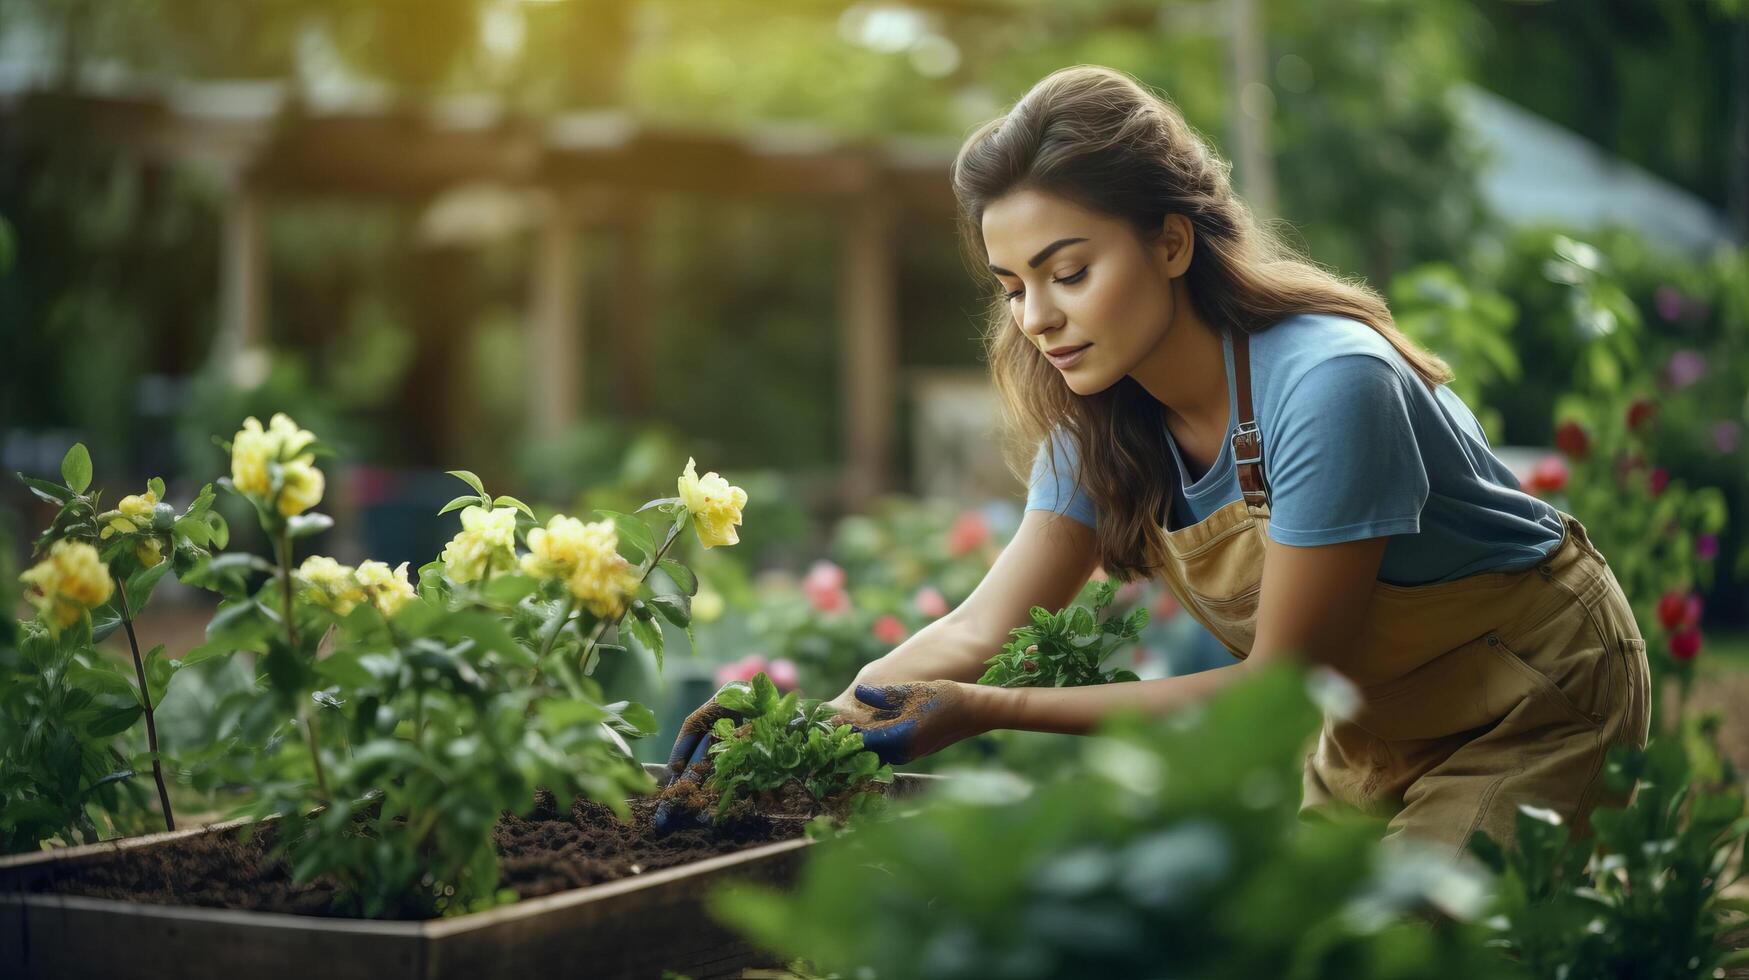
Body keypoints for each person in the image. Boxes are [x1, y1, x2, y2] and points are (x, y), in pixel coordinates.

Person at [662, 65, 1650, 860]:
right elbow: (977, 628)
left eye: (1070, 271)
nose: (1038, 318)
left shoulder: (1327, 386)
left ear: (1172, 242)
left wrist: (985, 714)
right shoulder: (1098, 422)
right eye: (1013, 286)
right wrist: (799, 737)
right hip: (1379, 718)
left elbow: (1280, 687)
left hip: (1537, 695)